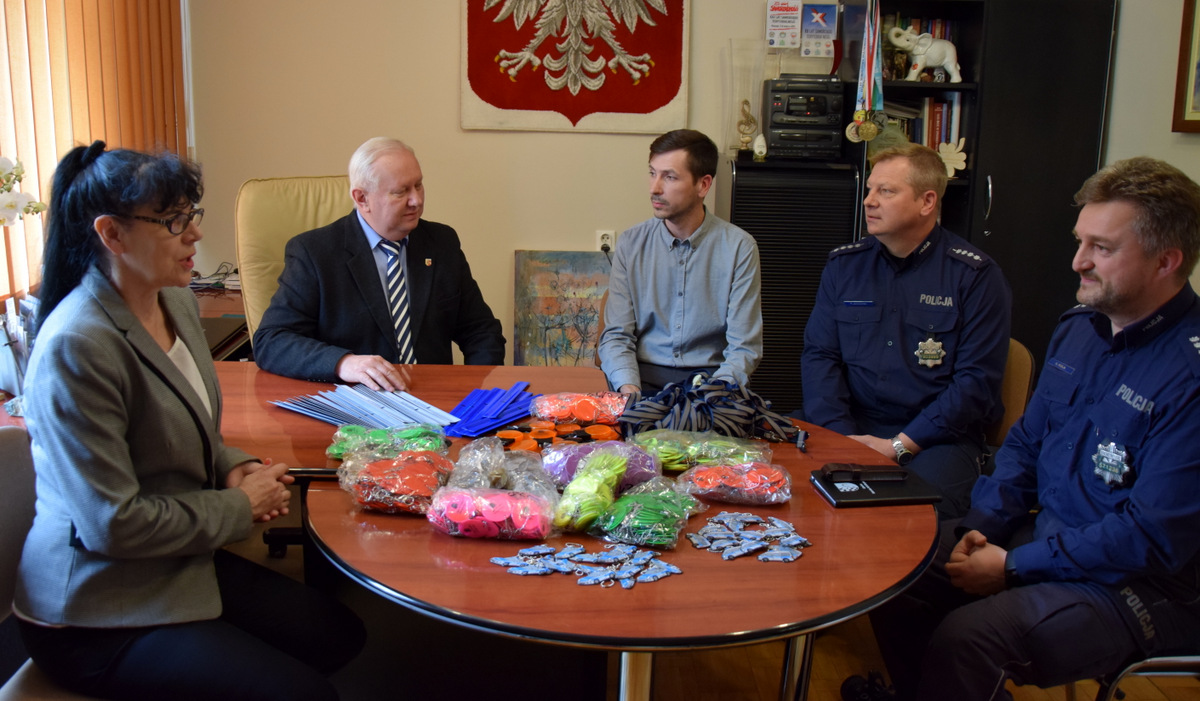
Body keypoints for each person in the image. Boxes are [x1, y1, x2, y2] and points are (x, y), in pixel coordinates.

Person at [15, 142, 365, 701]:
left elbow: (187, 429)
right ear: (111, 234)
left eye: (190, 214)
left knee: (337, 634)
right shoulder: (78, 346)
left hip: (171, 558)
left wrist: (233, 467)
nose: (195, 234)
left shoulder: (173, 302)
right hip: (95, 607)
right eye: (173, 221)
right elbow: (112, 525)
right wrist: (240, 505)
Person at [858, 157, 1200, 701]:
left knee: (967, 640)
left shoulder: (1190, 374)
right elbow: (1024, 445)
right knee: (890, 565)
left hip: (1141, 585)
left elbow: (1151, 536)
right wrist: (982, 527)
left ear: (1167, 260)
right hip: (1050, 536)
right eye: (1080, 241)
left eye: (1102, 248)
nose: (1078, 262)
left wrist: (1014, 567)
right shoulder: (1079, 330)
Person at [802, 143, 1011, 519]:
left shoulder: (974, 276)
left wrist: (899, 445)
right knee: (783, 491)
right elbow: (820, 356)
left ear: (927, 201)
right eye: (870, 189)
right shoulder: (844, 266)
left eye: (886, 191)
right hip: (850, 423)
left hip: (936, 437)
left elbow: (975, 384)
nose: (869, 201)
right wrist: (840, 437)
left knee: (909, 519)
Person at [253, 136, 505, 391]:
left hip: (433, 398)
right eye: (401, 192)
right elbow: (271, 340)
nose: (416, 200)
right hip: (356, 404)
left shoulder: (441, 242)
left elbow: (481, 330)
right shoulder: (314, 253)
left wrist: (480, 395)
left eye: (418, 185)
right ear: (362, 198)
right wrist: (343, 362)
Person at [597, 129, 763, 395]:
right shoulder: (631, 243)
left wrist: (711, 396)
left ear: (703, 185)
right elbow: (617, 336)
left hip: (711, 382)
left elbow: (744, 348)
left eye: (669, 177)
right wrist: (630, 391)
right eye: (652, 173)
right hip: (641, 379)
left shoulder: (739, 248)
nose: (655, 188)